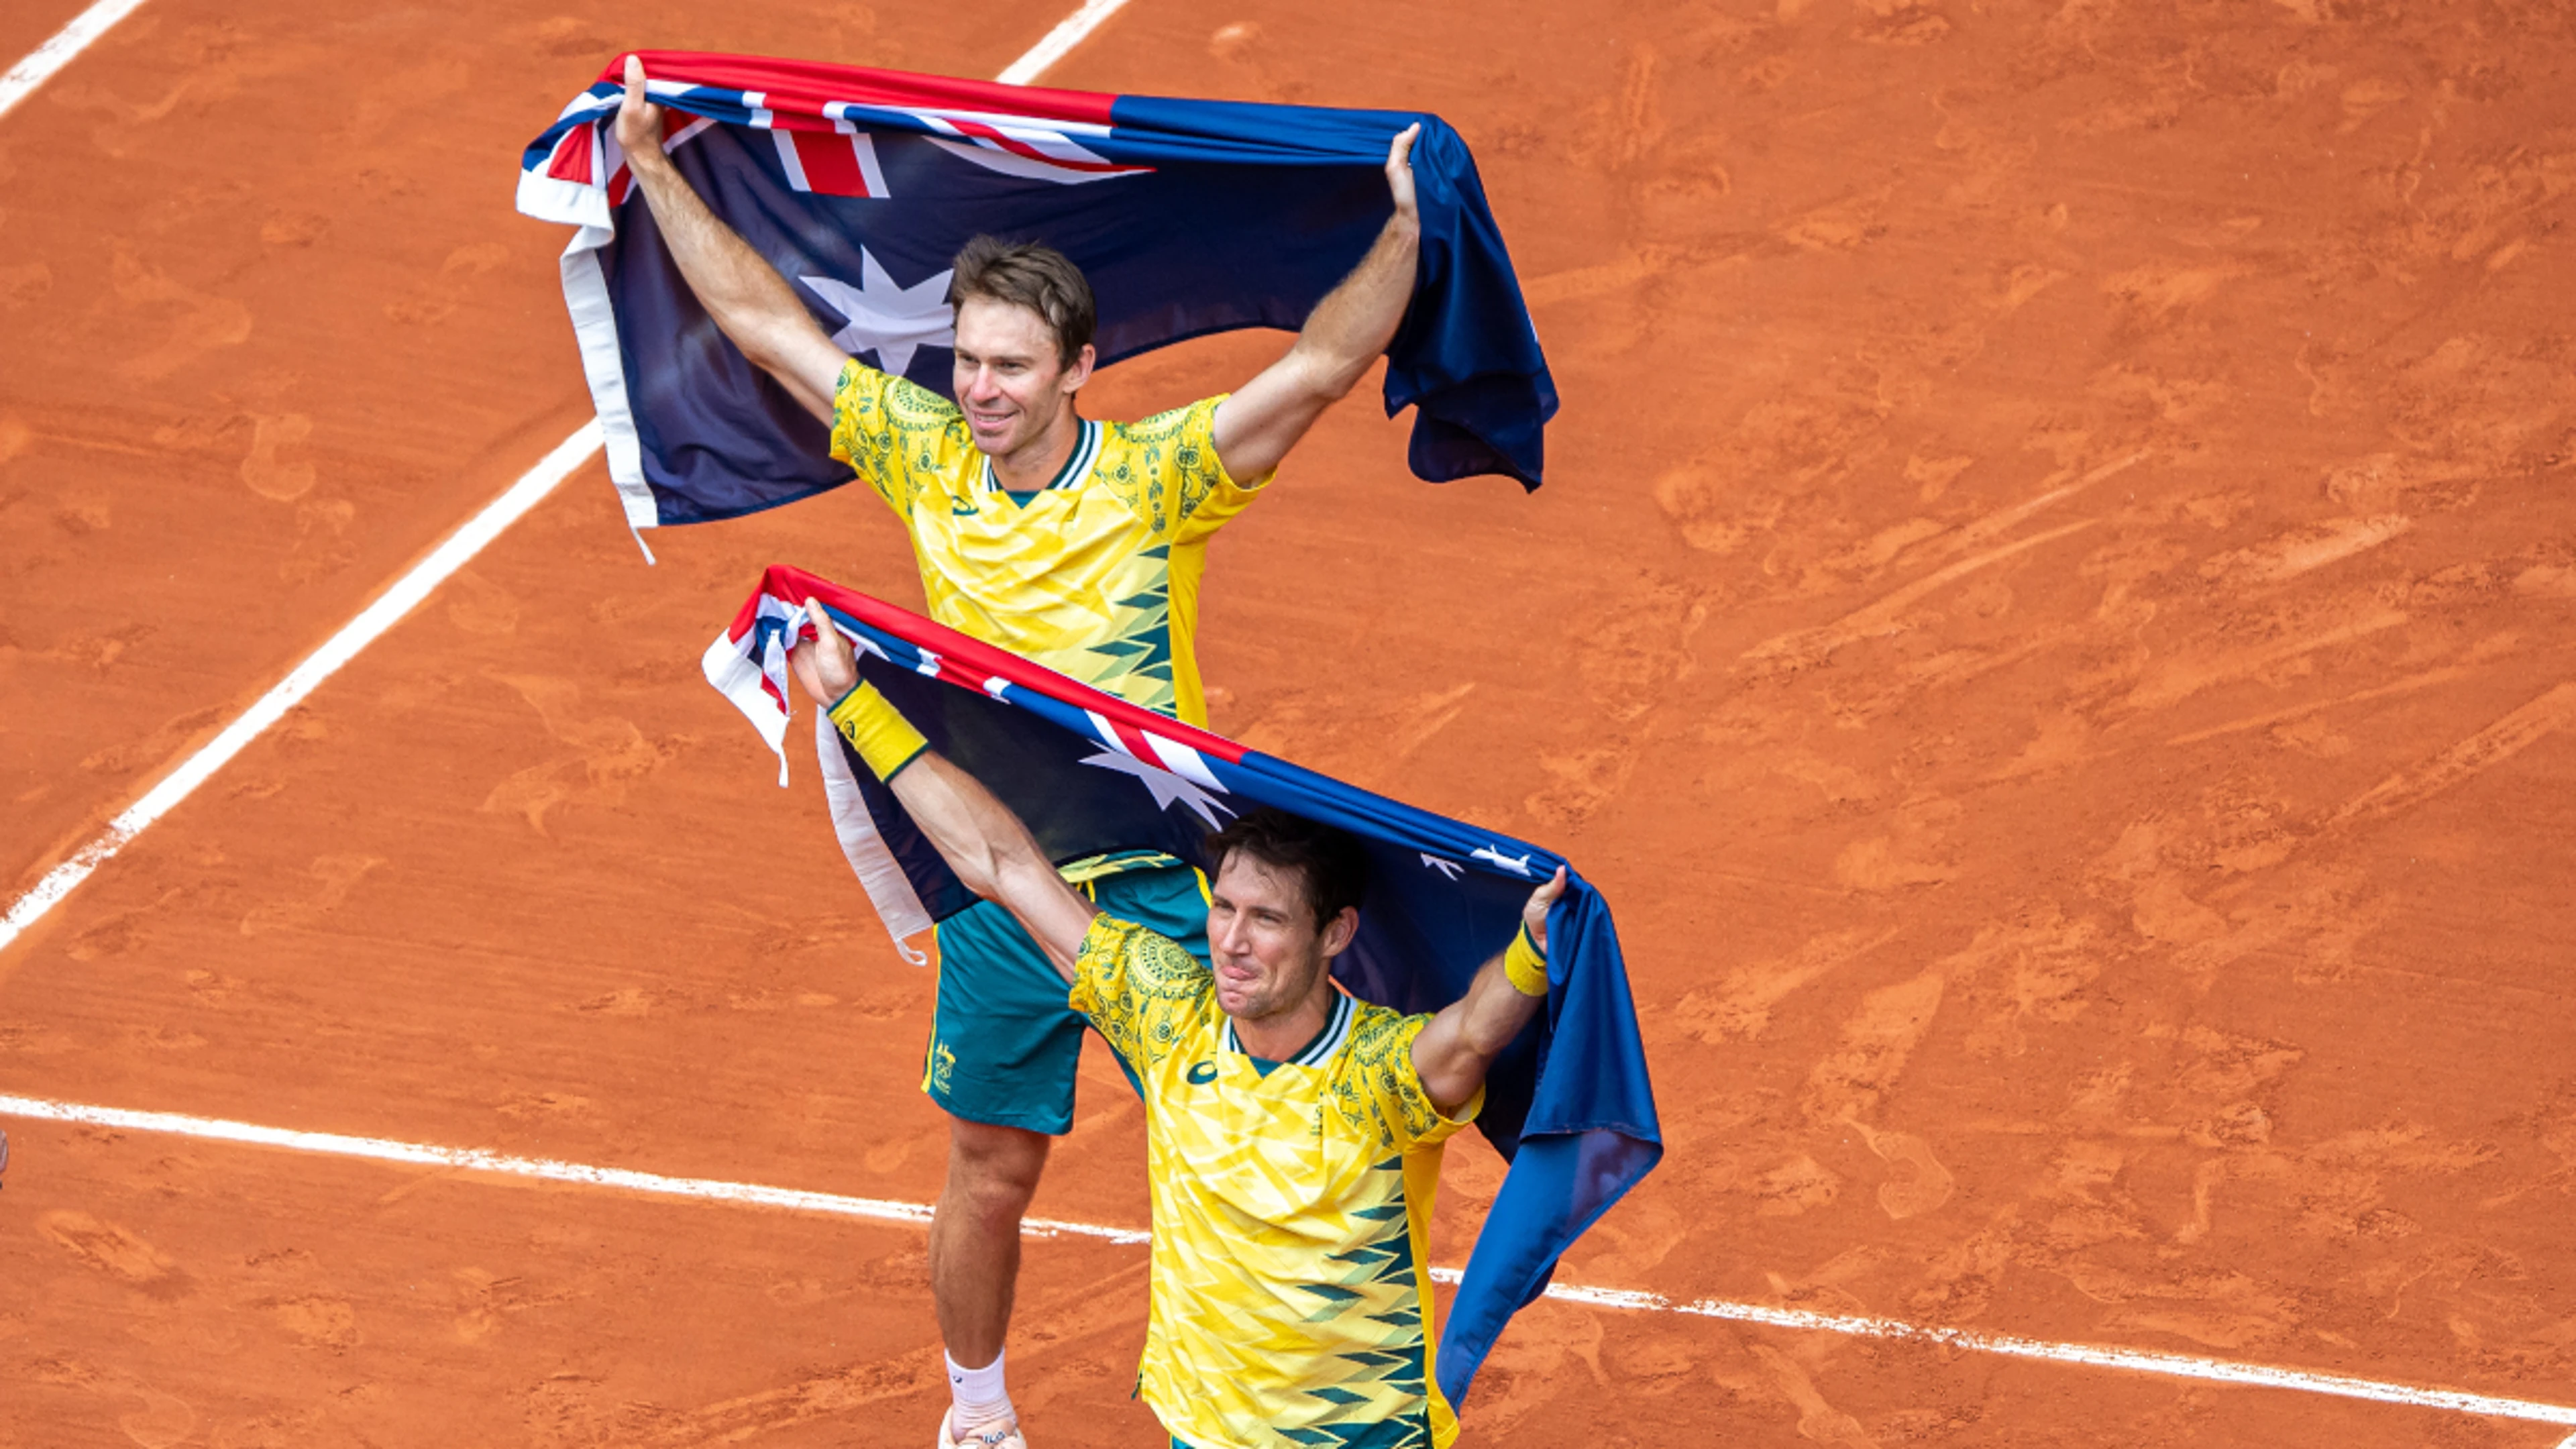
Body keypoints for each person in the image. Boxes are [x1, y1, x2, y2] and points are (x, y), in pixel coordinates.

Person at [613, 58, 1432, 1449]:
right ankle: (979, 1418)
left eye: (1008, 366)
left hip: (1169, 885)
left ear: (1078, 371)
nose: (979, 390)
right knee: (989, 1164)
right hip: (1002, 878)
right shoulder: (923, 454)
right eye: (966, 361)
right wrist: (654, 166)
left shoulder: (1159, 479)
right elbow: (762, 323)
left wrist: (1411, 234)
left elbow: (1320, 368)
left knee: (1235, 1152)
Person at [786, 599, 1562, 1449]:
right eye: (1223, 907)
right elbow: (1005, 866)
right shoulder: (1166, 1013)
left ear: (1335, 933)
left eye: (1266, 919)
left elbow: (1476, 1031)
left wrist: (1530, 951)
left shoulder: (1383, 1069)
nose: (1229, 940)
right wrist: (855, 704)